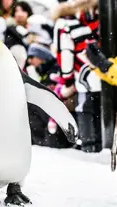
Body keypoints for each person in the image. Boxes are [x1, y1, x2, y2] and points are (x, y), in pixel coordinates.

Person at [55, 6, 101, 153]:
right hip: (106, 74)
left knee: (85, 107)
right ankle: (99, 143)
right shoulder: (104, 23)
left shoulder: (69, 27)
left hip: (83, 77)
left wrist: (67, 79)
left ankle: (89, 144)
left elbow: (66, 55)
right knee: (100, 108)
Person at [26, 43, 73, 148]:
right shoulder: (43, 71)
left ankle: (49, 143)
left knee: (35, 108)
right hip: (55, 105)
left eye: (31, 57)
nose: (30, 61)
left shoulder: (54, 69)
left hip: (62, 104)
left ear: (41, 57)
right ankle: (42, 142)